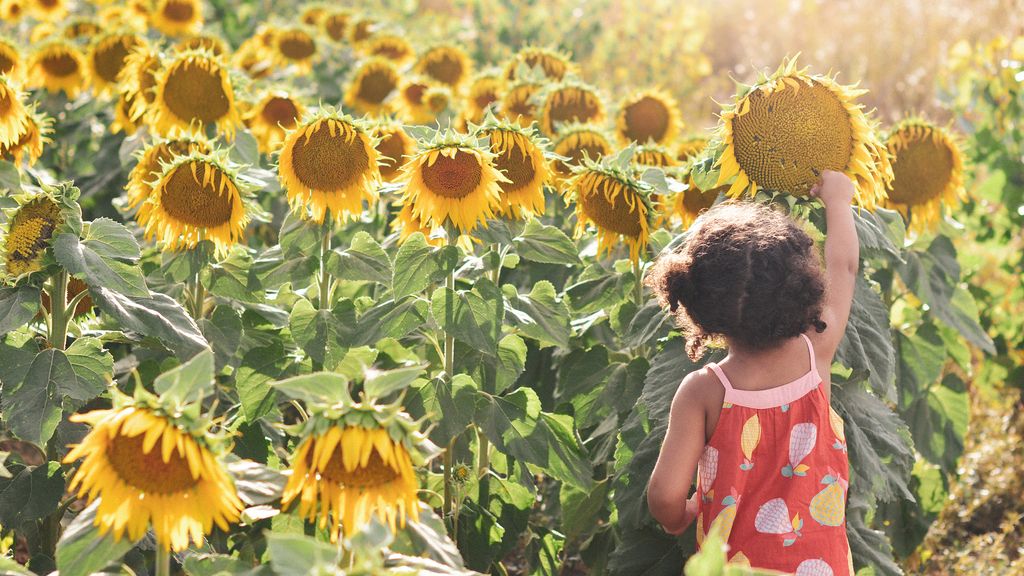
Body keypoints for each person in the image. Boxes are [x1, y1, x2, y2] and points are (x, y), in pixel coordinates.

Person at [644, 171, 857, 575]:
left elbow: (665, 493)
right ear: (802, 286)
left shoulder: (704, 392)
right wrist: (838, 202)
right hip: (820, 566)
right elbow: (844, 267)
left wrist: (679, 516)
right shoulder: (817, 351)